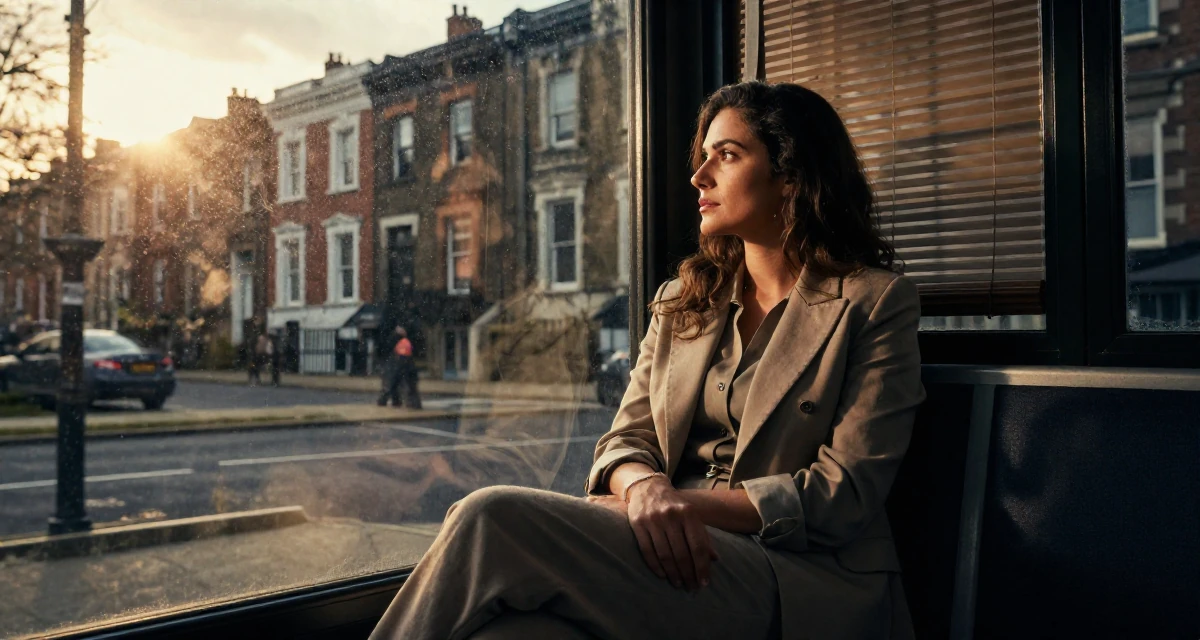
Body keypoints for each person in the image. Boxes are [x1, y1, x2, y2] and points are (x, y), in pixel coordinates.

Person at [370, 82, 925, 640]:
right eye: (702, 155)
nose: (699, 176)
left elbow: (843, 494)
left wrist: (674, 504)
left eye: (727, 155)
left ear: (793, 176)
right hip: (669, 551)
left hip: (795, 577)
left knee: (487, 515)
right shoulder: (683, 301)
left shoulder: (873, 303)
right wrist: (643, 490)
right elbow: (624, 441)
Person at [378, 326, 421, 409]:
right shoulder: (405, 342)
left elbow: (401, 357)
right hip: (404, 367)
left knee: (391, 386)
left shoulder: (400, 343)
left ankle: (394, 402)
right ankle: (411, 404)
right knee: (408, 387)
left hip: (398, 367)